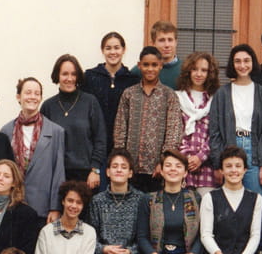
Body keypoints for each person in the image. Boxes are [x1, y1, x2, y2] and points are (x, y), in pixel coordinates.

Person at [137, 149, 202, 254]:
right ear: (161, 170)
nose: (173, 169)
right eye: (168, 165)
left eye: (178, 166)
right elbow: (142, 236)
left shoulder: (195, 198)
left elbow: (203, 233)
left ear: (185, 172)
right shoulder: (149, 199)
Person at [114, 46, 183, 193]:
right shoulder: (129, 94)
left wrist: (164, 161)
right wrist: (122, 161)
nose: (150, 69)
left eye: (154, 65)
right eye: (146, 65)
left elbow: (174, 131)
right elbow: (120, 129)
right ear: (139, 65)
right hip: (131, 168)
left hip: (156, 170)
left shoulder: (169, 95)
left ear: (160, 66)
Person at [208, 44, 262, 196]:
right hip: (228, 150)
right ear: (232, 64)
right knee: (230, 200)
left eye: (246, 60)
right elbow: (215, 132)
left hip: (254, 152)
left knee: (255, 200)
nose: (242, 65)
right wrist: (217, 164)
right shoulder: (222, 93)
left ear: (253, 62)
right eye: (237, 61)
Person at [1, 77, 66, 228]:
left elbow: (59, 172)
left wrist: (55, 207)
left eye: (37, 93)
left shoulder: (55, 131)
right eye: (28, 92)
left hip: (41, 209)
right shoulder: (6, 131)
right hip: (12, 205)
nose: (32, 97)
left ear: (41, 98)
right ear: (18, 97)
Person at [89, 148, 145, 254]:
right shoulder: (97, 201)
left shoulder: (141, 199)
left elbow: (146, 237)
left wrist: (130, 251)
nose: (119, 170)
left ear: (130, 173)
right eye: (114, 166)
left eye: (123, 167)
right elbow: (90, 238)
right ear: (107, 172)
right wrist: (104, 249)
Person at [41, 53, 106, 192]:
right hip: (57, 173)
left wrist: (95, 170)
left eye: (73, 74)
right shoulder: (48, 106)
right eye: (65, 74)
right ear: (57, 75)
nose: (69, 78)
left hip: (86, 175)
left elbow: (100, 138)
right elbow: (43, 144)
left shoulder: (90, 102)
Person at [83, 31, 140, 189]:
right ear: (102, 50)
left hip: (123, 147)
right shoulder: (90, 77)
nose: (113, 52)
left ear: (123, 50)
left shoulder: (133, 80)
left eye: (116, 48)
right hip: (96, 146)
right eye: (108, 48)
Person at [33, 180, 96, 254]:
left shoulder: (89, 232)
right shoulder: (46, 232)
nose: (74, 206)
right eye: (70, 200)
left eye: (79, 202)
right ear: (63, 201)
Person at [177, 51, 221, 197]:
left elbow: (216, 132)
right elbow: (175, 130)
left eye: (204, 70)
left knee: (207, 207)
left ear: (210, 73)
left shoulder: (215, 99)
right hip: (183, 165)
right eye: (195, 69)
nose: (199, 74)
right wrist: (188, 157)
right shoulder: (178, 97)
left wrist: (200, 157)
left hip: (207, 168)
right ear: (188, 71)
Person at [130, 20, 182, 89]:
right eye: (161, 40)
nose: (167, 45)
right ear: (153, 43)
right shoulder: (139, 71)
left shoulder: (185, 70)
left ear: (176, 42)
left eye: (170, 40)